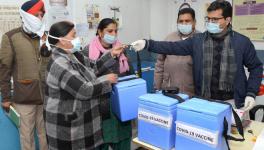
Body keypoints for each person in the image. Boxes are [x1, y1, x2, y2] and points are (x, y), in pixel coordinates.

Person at [131, 1, 263, 112]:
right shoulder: (198, 40)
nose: (210, 22)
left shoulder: (241, 42)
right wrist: (147, 43)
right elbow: (172, 47)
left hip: (233, 102)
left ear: (228, 20)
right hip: (204, 101)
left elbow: (256, 67)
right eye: (208, 19)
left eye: (215, 19)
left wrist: (251, 93)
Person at [44, 21, 124, 150]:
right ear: (62, 40)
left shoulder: (73, 54)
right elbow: (83, 90)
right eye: (74, 35)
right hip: (68, 130)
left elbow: (93, 67)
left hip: (83, 124)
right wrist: (106, 80)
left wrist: (111, 54)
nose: (78, 38)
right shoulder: (59, 62)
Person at [0, 0, 48, 149]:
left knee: (45, 134)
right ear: (25, 16)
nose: (39, 18)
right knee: (27, 136)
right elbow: (4, 69)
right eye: (36, 15)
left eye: (42, 15)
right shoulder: (11, 37)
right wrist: (6, 97)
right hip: (24, 96)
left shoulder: (45, 36)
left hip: (46, 95)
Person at [84, 18, 133, 150]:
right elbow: (85, 80)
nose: (113, 34)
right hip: (100, 107)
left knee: (122, 140)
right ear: (100, 32)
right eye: (109, 31)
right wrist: (104, 79)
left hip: (121, 104)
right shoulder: (88, 51)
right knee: (102, 141)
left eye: (115, 31)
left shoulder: (121, 50)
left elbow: (130, 74)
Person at [154, 7, 198, 96]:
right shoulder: (169, 39)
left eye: (187, 21)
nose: (184, 23)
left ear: (194, 22)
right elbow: (159, 65)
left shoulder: (200, 40)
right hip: (169, 91)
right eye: (181, 21)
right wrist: (157, 88)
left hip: (191, 94)